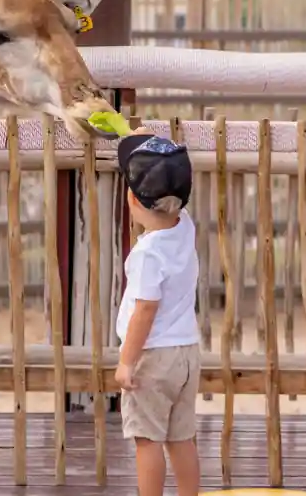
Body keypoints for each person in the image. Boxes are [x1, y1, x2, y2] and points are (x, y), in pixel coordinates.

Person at [114, 126, 201, 496]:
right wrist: (144, 137)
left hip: (153, 358)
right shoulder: (184, 226)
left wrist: (126, 363)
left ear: (133, 202)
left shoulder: (148, 255)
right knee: (181, 437)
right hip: (186, 354)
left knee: (147, 440)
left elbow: (145, 311)